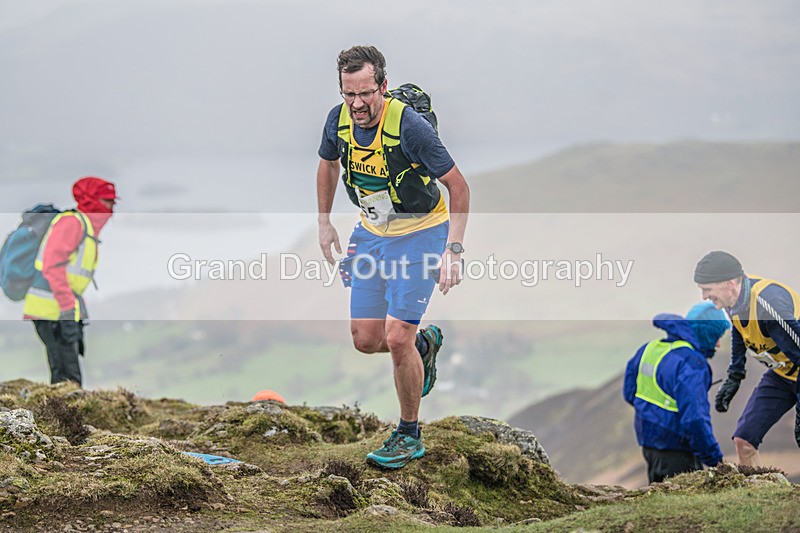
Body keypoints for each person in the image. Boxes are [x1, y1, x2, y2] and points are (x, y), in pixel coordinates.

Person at [316, 45, 469, 469]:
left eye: (366, 93)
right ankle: (423, 344)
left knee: (396, 335)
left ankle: (408, 434)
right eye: (349, 94)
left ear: (382, 86)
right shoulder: (338, 119)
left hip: (422, 233)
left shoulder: (411, 127)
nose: (358, 104)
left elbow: (459, 187)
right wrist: (324, 222)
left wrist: (453, 250)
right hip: (372, 232)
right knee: (366, 339)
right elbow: (328, 165)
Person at [694, 250, 800, 465]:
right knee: (744, 440)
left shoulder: (768, 307)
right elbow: (739, 330)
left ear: (729, 283)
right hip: (782, 374)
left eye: (707, 289)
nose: (704, 297)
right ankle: (753, 494)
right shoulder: (733, 302)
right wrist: (735, 374)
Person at [23, 176, 118, 387]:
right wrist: (67, 307)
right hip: (51, 310)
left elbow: (72, 276)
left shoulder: (86, 227)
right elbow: (52, 266)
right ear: (93, 200)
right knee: (66, 378)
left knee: (68, 375)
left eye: (113, 201)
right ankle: (62, 418)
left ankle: (65, 417)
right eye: (107, 200)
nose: (112, 207)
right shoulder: (72, 223)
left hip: (63, 310)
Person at [623, 301, 730, 483]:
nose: (719, 344)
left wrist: (656, 416)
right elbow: (695, 419)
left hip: (649, 444)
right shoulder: (692, 363)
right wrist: (716, 461)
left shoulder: (650, 349)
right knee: (686, 507)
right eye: (717, 336)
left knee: (659, 501)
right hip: (678, 450)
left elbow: (629, 393)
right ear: (707, 334)